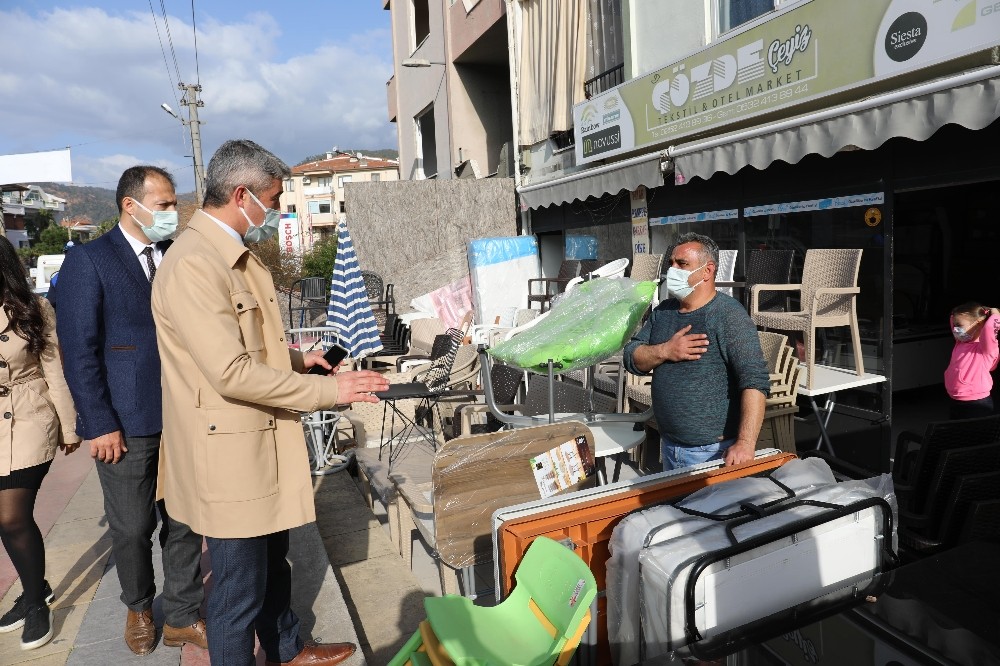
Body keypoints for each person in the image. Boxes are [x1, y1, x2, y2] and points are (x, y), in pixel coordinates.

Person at [151, 139, 389, 666]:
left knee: (273, 565)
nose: (277, 210)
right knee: (237, 596)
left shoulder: (230, 255)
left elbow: (245, 342)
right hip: (230, 457)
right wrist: (331, 390)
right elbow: (230, 371)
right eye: (275, 199)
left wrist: (300, 360)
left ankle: (287, 648)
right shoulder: (195, 264)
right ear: (242, 195)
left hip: (258, 444)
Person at [56, 166, 207, 655]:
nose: (172, 213)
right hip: (126, 420)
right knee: (132, 525)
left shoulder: (177, 256)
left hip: (184, 414)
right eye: (163, 205)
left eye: (173, 204)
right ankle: (140, 606)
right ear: (130, 205)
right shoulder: (91, 261)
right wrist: (99, 422)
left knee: (184, 520)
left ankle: (183, 613)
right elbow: (78, 351)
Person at [623, 233, 770, 470]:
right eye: (671, 263)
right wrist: (665, 350)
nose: (672, 270)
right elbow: (631, 357)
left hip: (712, 454)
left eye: (682, 264)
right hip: (669, 444)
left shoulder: (727, 315)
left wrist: (745, 442)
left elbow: (755, 380)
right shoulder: (664, 311)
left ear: (707, 270)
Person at [0, 236, 80, 650]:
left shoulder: (33, 308)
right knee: (3, 520)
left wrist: (69, 426)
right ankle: (38, 587)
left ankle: (35, 605)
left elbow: (54, 371)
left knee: (12, 516)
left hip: (29, 417)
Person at [945, 302, 1000, 419]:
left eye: (959, 325)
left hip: (976, 403)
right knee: (957, 435)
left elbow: (990, 327)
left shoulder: (985, 348)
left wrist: (994, 313)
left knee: (976, 437)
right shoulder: (960, 342)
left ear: (979, 324)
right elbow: (952, 318)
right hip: (955, 400)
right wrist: (955, 316)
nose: (955, 329)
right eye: (954, 325)